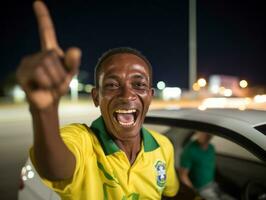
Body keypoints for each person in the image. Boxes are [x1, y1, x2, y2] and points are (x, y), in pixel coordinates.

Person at [16, 1, 179, 199]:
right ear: (96, 97)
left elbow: (171, 193)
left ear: (150, 97)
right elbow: (55, 169)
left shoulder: (163, 146)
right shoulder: (83, 141)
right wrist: (44, 110)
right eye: (112, 85)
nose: (127, 95)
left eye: (139, 85)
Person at [179, 131, 235, 200]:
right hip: (201, 189)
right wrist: (194, 192)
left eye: (207, 132)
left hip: (213, 185)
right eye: (200, 132)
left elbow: (211, 167)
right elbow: (183, 175)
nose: (203, 134)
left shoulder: (211, 148)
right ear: (196, 133)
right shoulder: (189, 150)